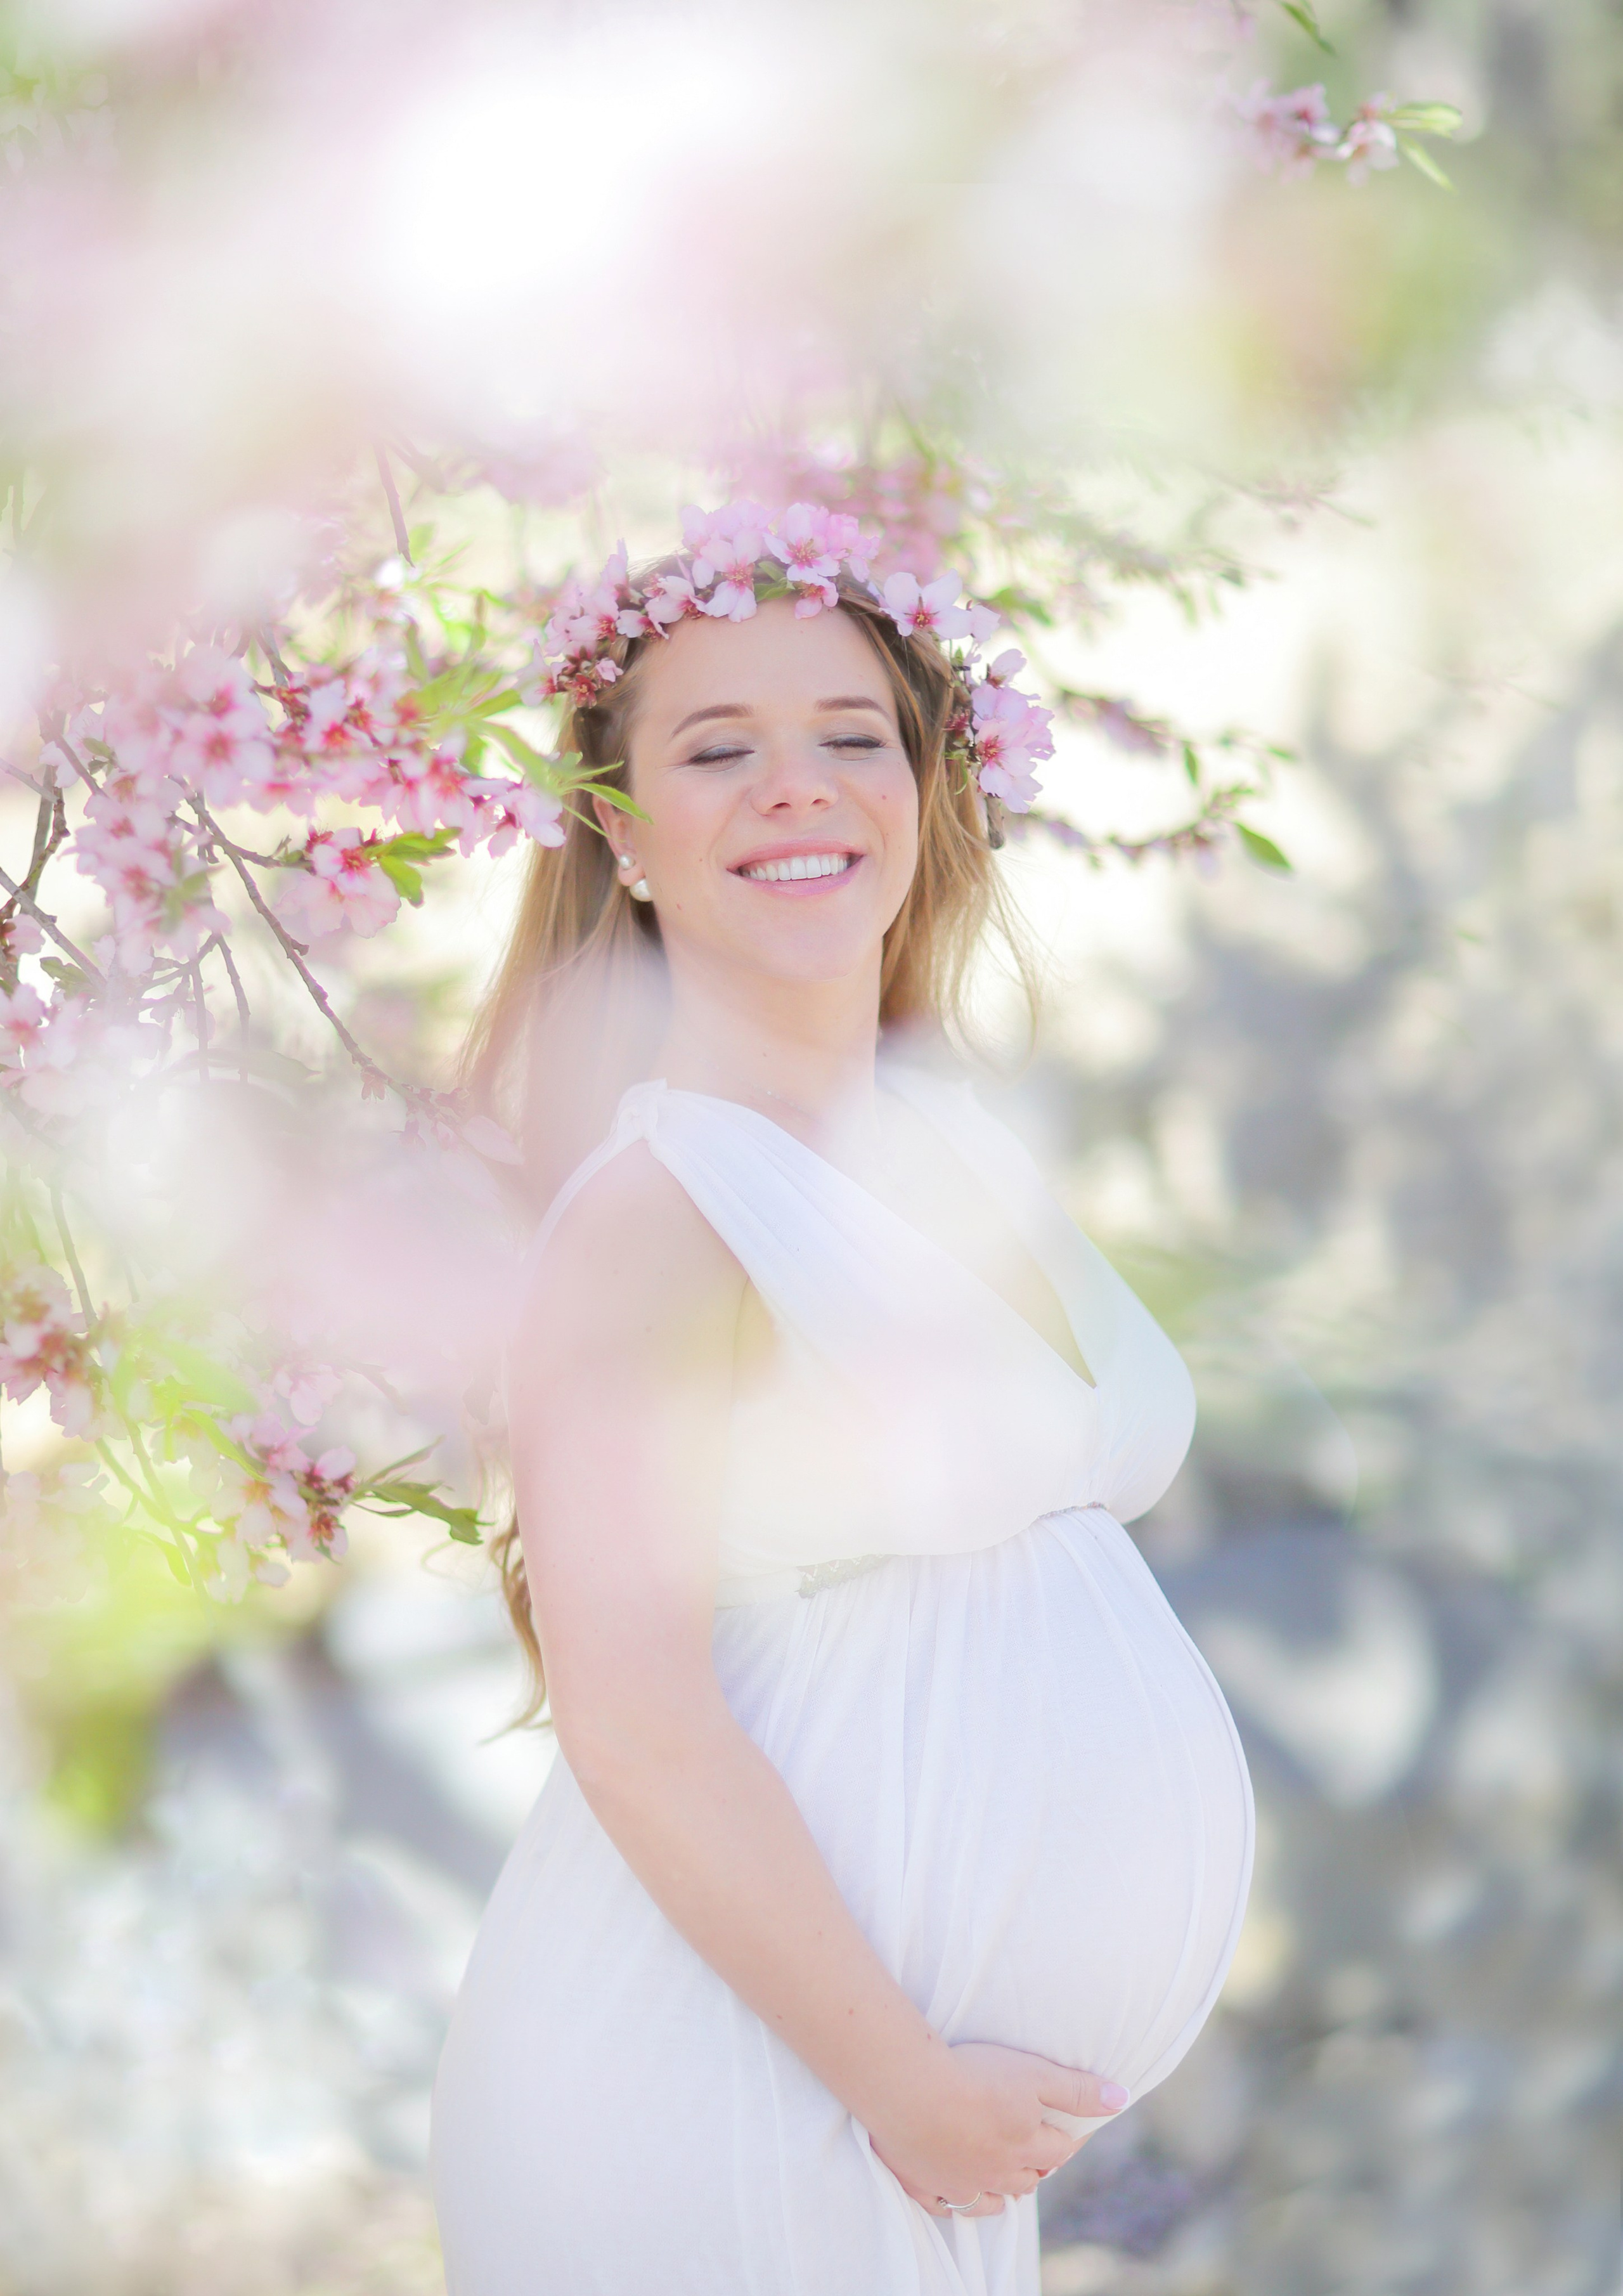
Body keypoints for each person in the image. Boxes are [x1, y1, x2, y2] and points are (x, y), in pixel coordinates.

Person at [430, 506, 1253, 2294]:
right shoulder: (659, 1214)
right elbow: (633, 1713)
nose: (796, 787)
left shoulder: (948, 1139)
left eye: (849, 736)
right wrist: (901, 2084)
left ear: (925, 786)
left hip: (904, 2117)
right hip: (747, 2084)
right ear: (621, 835)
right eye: (718, 751)